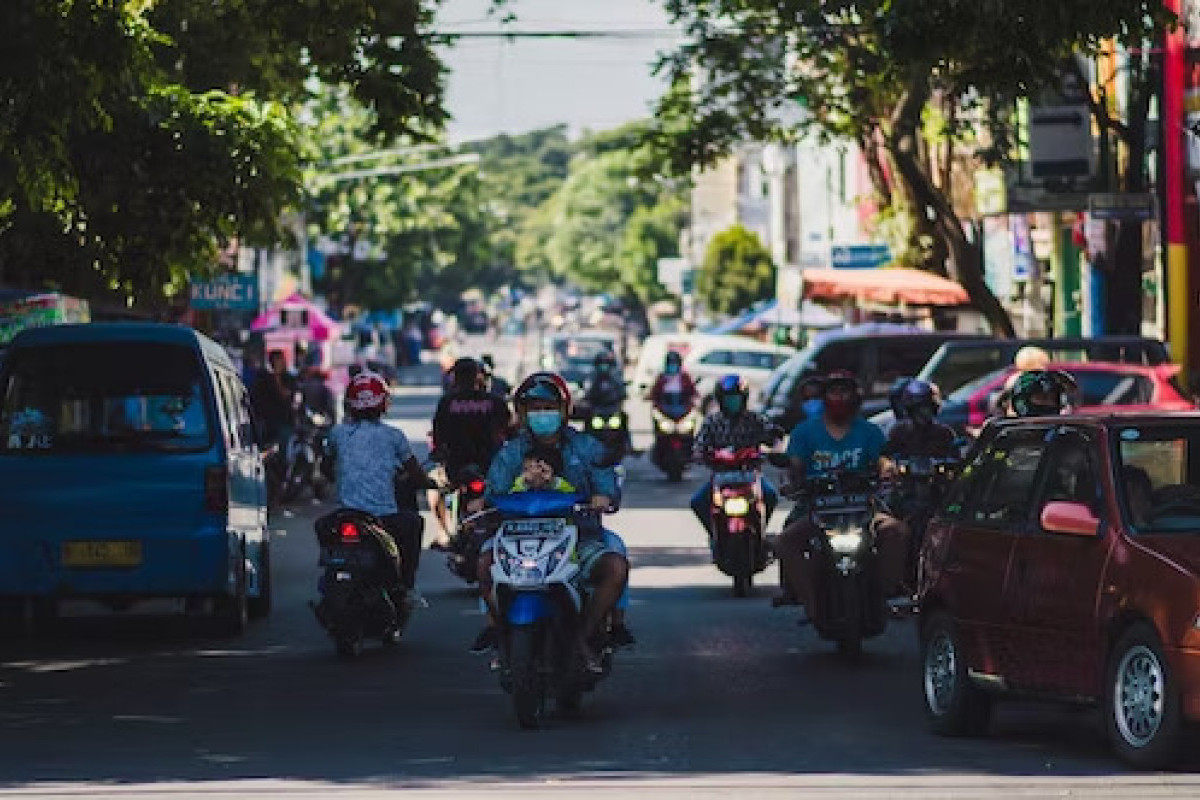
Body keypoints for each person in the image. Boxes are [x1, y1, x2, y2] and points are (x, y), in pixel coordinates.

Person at [472, 371, 634, 670]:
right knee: (483, 563)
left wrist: (603, 497)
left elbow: (606, 481)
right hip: (517, 539)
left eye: (548, 408)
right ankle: (499, 630)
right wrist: (483, 501)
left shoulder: (585, 447)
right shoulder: (510, 454)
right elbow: (494, 490)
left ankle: (583, 638)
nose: (541, 415)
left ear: (563, 410)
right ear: (521, 413)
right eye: (533, 408)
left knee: (615, 566)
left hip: (578, 538)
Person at [774, 371, 911, 607]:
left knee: (897, 531)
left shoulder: (869, 432)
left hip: (864, 505)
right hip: (816, 507)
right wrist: (791, 482)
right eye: (834, 391)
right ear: (824, 397)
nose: (840, 397)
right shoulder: (804, 432)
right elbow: (794, 466)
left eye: (845, 391)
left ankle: (887, 591)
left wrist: (889, 470)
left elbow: (882, 460)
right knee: (786, 541)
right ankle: (808, 597)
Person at [325, 371, 436, 597]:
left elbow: (326, 466)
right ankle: (405, 587)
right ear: (383, 403)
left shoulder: (337, 433)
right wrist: (431, 483)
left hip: (345, 514)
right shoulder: (394, 436)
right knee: (414, 524)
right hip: (383, 517)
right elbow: (415, 473)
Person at [429, 357, 512, 548]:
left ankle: (445, 533)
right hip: (490, 465)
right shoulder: (494, 402)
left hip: (457, 468)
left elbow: (439, 435)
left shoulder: (447, 403)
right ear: (478, 376)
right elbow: (509, 428)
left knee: (434, 489)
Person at [690, 375, 783, 543]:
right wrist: (700, 455)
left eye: (736, 399)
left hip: (750, 476)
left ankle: (760, 534)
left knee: (770, 496)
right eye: (728, 399)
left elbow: (774, 436)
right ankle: (715, 535)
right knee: (698, 502)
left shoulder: (755, 419)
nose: (732, 403)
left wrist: (776, 450)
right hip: (721, 477)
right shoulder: (712, 421)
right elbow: (699, 445)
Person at [249, 349, 297, 449]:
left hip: (284, 422)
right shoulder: (262, 378)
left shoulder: (289, 378)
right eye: (277, 360)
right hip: (266, 423)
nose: (281, 362)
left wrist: (277, 377)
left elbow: (286, 395)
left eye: (281, 360)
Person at [1008, 369, 1077, 418]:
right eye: (1043, 398)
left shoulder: (1066, 434)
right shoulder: (1010, 435)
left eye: (1054, 399)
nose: (1050, 403)